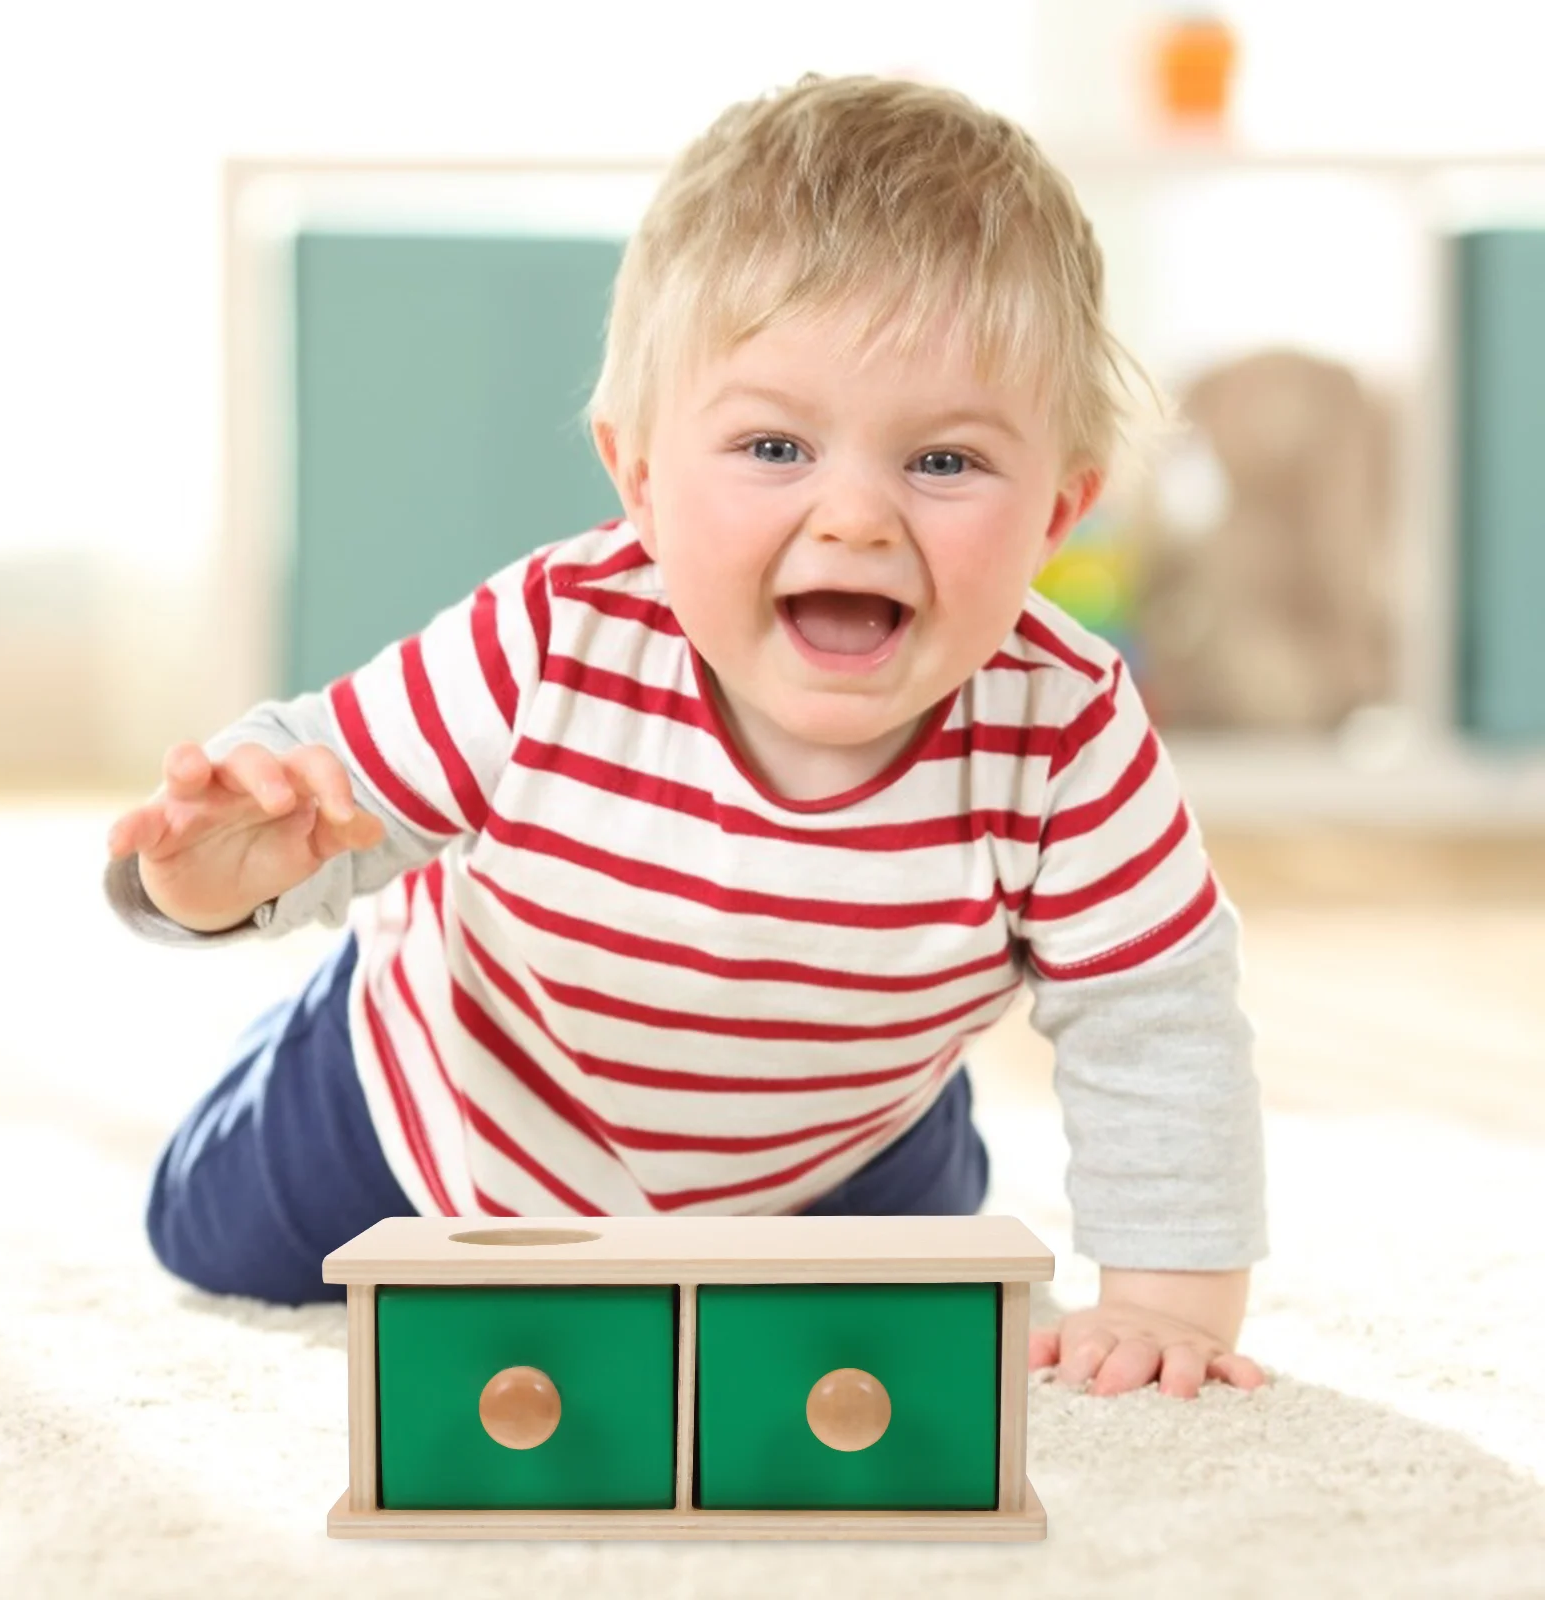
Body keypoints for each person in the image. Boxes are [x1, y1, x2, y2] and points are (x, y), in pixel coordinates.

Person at [105, 73, 1267, 1399]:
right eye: (775, 446)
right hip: (459, 1093)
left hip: (838, 1161)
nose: (855, 519)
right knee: (209, 1240)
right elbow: (319, 788)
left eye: (943, 463)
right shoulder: (553, 639)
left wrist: (1169, 1305)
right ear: (642, 480)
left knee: (906, 1350)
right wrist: (206, 875)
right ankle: (328, 1009)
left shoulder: (1064, 730)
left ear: (1058, 515)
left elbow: (1156, 1014)